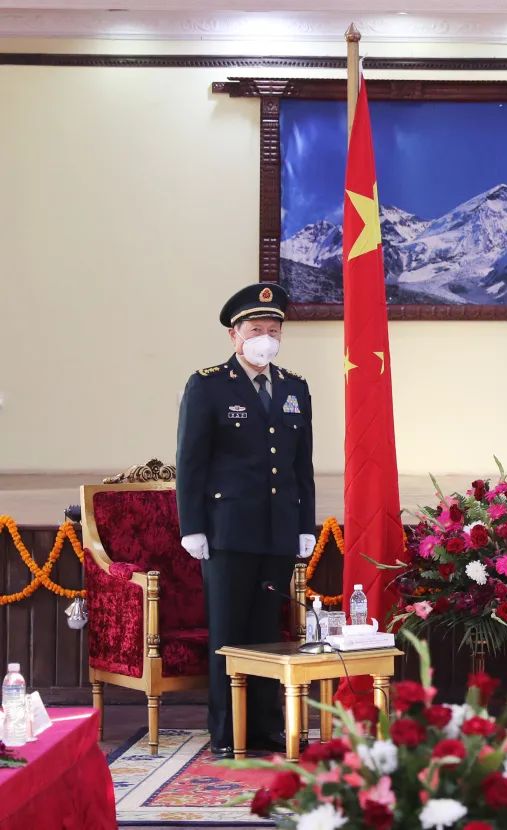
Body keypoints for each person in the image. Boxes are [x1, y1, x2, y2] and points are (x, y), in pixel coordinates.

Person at [176, 282, 316, 758]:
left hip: (278, 530)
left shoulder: (294, 387)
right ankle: (226, 731)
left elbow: (301, 465)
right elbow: (191, 462)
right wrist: (192, 526)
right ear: (234, 335)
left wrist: (305, 524)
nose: (266, 339)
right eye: (256, 330)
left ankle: (266, 727)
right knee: (229, 632)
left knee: (267, 635)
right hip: (228, 531)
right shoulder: (209, 385)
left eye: (273, 330)